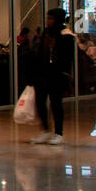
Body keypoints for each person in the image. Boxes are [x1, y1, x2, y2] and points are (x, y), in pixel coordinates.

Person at [30, 8, 76, 145]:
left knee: (56, 103)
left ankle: (58, 132)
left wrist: (65, 73)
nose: (48, 21)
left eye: (51, 18)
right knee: (40, 101)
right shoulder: (46, 33)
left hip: (57, 74)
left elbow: (67, 57)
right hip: (43, 73)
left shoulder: (66, 35)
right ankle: (45, 130)